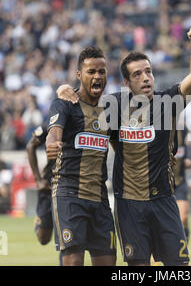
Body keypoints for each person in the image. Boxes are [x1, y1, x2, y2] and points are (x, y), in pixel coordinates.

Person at [56, 11, 191, 266]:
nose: (146, 77)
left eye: (148, 71)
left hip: (163, 201)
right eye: (137, 74)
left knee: (180, 267)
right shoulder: (113, 106)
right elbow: (83, 102)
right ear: (126, 82)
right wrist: (64, 89)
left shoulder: (167, 101)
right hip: (129, 205)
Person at [45, 46, 116, 266]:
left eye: (101, 72)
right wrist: (52, 143)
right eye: (91, 71)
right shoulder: (65, 104)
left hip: (100, 197)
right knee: (74, 262)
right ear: (79, 75)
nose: (97, 76)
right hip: (69, 195)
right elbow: (54, 131)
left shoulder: (110, 109)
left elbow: (121, 145)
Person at [26, 122, 54, 246]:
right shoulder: (52, 121)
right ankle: (39, 221)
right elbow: (30, 145)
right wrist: (38, 179)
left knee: (65, 231)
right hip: (49, 184)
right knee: (44, 238)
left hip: (69, 185)